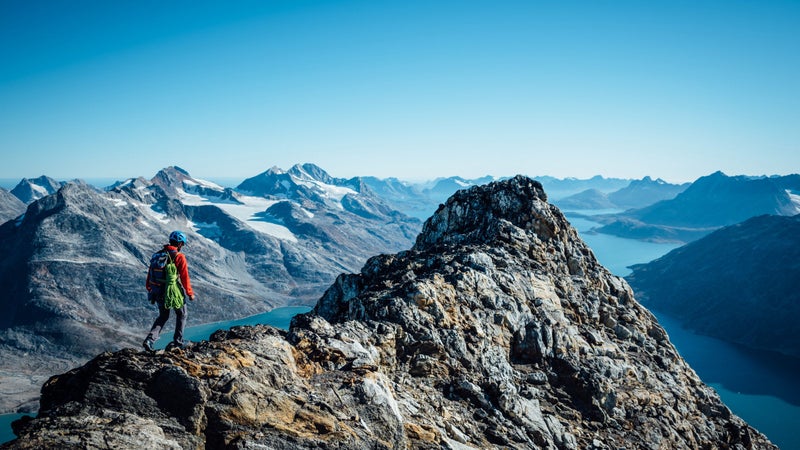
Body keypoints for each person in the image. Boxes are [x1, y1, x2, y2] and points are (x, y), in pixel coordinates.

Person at [142, 230, 196, 352]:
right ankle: (178, 342)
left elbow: (150, 273)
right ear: (180, 244)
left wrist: (150, 288)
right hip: (172, 291)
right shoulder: (179, 256)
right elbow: (184, 277)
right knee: (182, 314)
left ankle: (150, 340)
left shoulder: (157, 255)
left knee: (163, 316)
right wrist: (190, 293)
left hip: (157, 290)